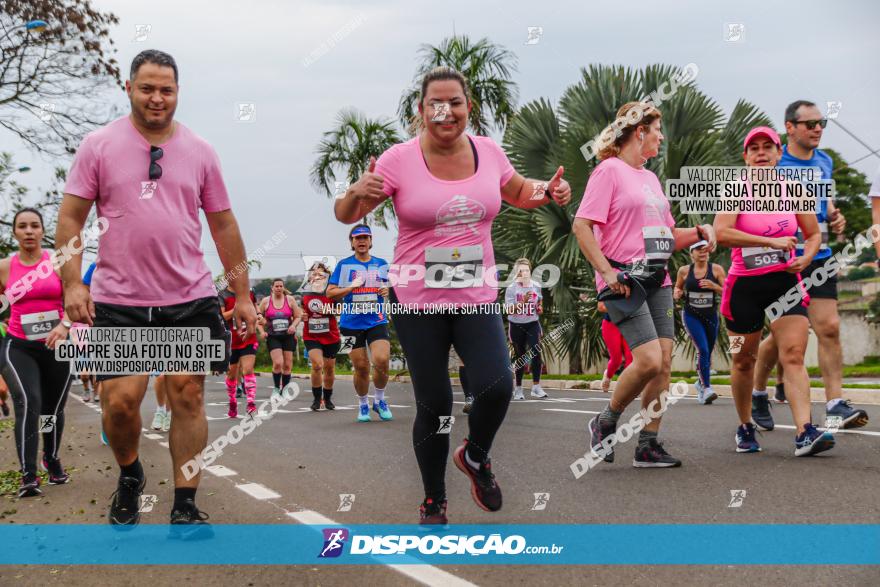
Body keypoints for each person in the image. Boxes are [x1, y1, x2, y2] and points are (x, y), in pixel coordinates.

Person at [335, 66, 572, 524]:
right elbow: (348, 214)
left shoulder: (488, 151)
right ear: (421, 110)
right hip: (417, 299)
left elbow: (521, 191)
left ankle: (476, 457)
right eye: (435, 104)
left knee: (497, 384)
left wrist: (552, 190)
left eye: (455, 103)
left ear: (469, 107)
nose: (446, 112)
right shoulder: (398, 160)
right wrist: (353, 192)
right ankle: (433, 499)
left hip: (475, 295)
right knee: (436, 403)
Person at [58, 50, 254, 530]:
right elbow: (70, 218)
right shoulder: (98, 145)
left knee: (187, 393)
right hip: (121, 300)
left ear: (177, 93)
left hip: (188, 296)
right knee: (121, 404)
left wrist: (243, 293)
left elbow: (224, 225)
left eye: (166, 89)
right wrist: (71, 282)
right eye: (147, 88)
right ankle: (130, 474)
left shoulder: (201, 150)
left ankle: (185, 501)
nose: (157, 97)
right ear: (129, 89)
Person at [573, 101, 715, 468]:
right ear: (640, 131)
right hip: (623, 280)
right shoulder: (609, 171)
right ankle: (606, 420)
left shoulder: (650, 179)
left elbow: (667, 235)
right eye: (656, 129)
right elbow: (581, 225)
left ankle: (647, 445)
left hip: (658, 279)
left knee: (664, 363)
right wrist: (606, 273)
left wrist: (700, 232)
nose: (661, 136)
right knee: (649, 359)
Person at [714, 125, 834, 456]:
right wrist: (770, 241)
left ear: (780, 154)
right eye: (755, 149)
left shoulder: (793, 189)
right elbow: (721, 234)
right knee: (742, 360)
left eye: (769, 147)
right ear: (746, 157)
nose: (762, 153)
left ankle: (804, 432)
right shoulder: (735, 190)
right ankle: (744, 425)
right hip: (743, 290)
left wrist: (806, 258)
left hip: (785, 284)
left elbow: (812, 235)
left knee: (793, 354)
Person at [750, 100, 867, 430]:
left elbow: (824, 202)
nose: (817, 129)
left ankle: (835, 405)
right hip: (782, 260)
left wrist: (834, 215)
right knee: (785, 337)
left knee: (828, 326)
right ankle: (758, 392)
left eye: (821, 124)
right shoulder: (773, 161)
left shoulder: (825, 161)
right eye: (810, 124)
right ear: (790, 128)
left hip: (820, 255)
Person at [0, 208, 73, 497]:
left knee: (51, 410)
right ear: (15, 232)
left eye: (34, 226)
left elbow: (76, 299)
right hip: (20, 346)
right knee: (29, 403)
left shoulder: (58, 262)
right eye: (22, 226)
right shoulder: (5, 267)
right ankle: (28, 474)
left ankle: (51, 458)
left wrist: (65, 325)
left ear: (43, 231)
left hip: (57, 345)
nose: (29, 231)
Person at [327, 225, 393, 422]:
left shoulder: (381, 263)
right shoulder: (344, 265)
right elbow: (330, 292)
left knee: (381, 361)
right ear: (352, 242)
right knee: (361, 367)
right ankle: (363, 404)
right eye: (357, 238)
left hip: (376, 320)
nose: (362, 241)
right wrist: (349, 287)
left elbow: (389, 286)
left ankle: (379, 400)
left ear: (371, 241)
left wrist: (386, 290)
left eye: (365, 237)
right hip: (350, 324)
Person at [673, 240, 726, 404]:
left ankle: (700, 384)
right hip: (691, 316)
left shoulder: (716, 269)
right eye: (698, 250)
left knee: (707, 351)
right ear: (692, 254)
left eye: (705, 250)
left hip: (710, 316)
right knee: (702, 349)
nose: (702, 253)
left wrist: (714, 286)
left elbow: (728, 292)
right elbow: (678, 288)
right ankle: (707, 388)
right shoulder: (684, 271)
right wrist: (677, 293)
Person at [506, 258, 547, 400]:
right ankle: (518, 388)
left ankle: (536, 387)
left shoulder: (536, 285)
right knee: (520, 356)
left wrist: (540, 307)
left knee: (536, 351)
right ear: (517, 273)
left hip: (532, 323)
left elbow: (540, 300)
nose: (525, 273)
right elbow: (509, 310)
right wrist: (522, 302)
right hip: (516, 325)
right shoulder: (511, 288)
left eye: (527, 270)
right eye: (521, 271)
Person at [301, 262, 340, 411]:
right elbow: (302, 311)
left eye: (321, 274)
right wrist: (303, 315)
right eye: (314, 274)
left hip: (330, 336)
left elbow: (340, 309)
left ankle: (327, 398)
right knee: (317, 365)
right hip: (311, 335)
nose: (317, 276)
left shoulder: (332, 291)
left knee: (329, 369)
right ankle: (317, 399)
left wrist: (327, 309)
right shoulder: (305, 292)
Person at [220, 285, 262, 417]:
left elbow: (256, 309)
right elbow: (222, 317)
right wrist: (236, 309)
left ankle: (251, 404)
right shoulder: (223, 295)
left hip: (248, 337)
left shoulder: (249, 292)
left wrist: (259, 316)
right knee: (232, 375)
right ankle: (232, 402)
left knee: (248, 370)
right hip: (231, 340)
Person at [258, 279, 302, 397]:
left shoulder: (290, 300)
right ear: (272, 288)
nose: (278, 288)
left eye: (280, 286)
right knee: (278, 363)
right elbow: (258, 319)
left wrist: (293, 325)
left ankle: (285, 389)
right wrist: (262, 331)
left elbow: (298, 316)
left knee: (287, 365)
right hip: (273, 336)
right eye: (276, 286)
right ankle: (276, 389)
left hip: (288, 336)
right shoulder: (266, 301)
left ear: (283, 287)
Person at [597, 301, 632, 392]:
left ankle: (628, 387)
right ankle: (608, 376)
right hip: (611, 324)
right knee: (617, 359)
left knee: (630, 359)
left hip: (629, 324)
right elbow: (601, 307)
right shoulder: (606, 286)